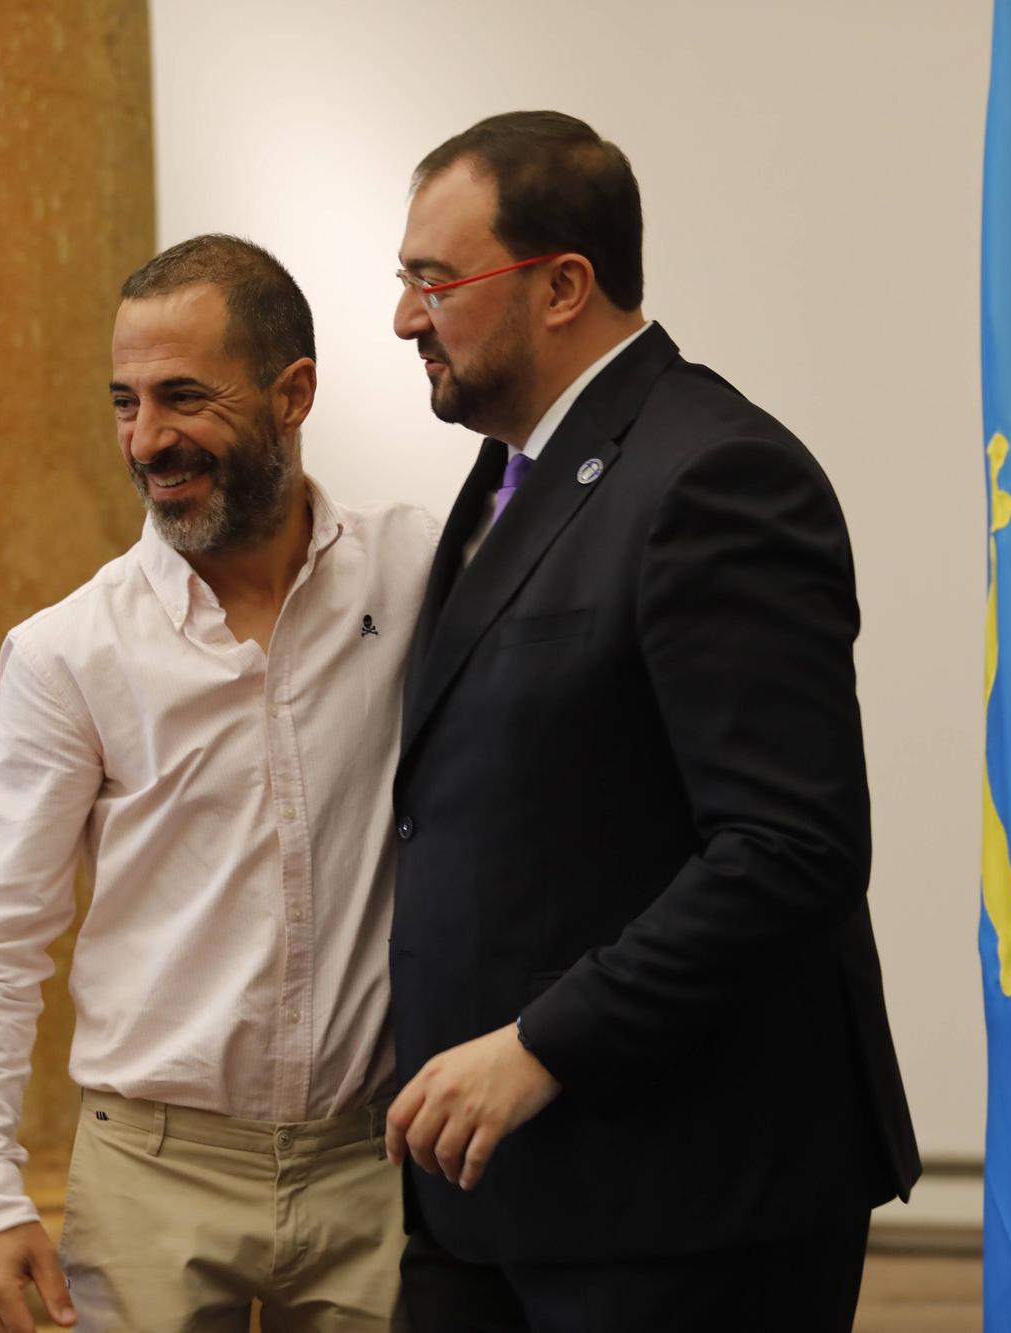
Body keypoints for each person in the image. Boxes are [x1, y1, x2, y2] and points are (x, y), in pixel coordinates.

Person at [382, 112, 921, 1331]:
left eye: (434, 281)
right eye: (403, 282)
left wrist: (541, 1042)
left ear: (562, 283)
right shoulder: (511, 474)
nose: (406, 319)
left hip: (681, 1208)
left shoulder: (713, 477)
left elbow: (787, 848)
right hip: (491, 1200)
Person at [0, 234, 436, 1333]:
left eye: (183, 397)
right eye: (124, 401)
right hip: (149, 1169)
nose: (147, 440)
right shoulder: (69, 651)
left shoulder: (420, 575)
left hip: (375, 1160)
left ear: (292, 393)